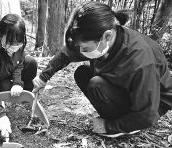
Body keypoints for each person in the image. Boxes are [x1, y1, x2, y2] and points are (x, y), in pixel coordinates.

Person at [32, 2, 172, 138]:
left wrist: (109, 126)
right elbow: (67, 53)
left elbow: (147, 115)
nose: (80, 52)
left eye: (85, 49)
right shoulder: (101, 38)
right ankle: (118, 116)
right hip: (125, 88)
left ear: (107, 36)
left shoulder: (140, 61)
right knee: (82, 73)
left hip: (152, 103)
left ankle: (126, 125)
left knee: (96, 84)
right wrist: (43, 77)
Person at [0, 14, 38, 140]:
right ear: (0, 35)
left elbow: (19, 64)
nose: (15, 46)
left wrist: (17, 83)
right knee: (2, 87)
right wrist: (0, 116)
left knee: (31, 63)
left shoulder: (20, 44)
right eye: (10, 42)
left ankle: (21, 98)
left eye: (18, 43)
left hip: (7, 70)